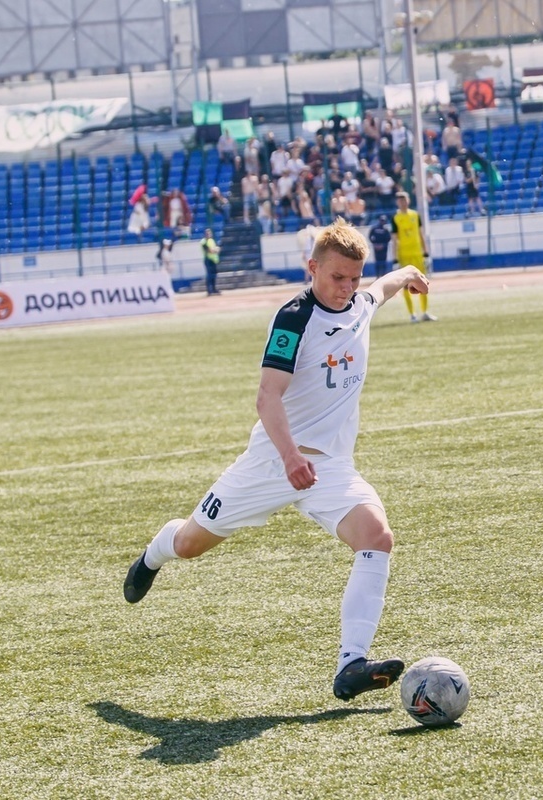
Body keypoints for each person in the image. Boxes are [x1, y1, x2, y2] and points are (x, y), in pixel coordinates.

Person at [122, 220, 431, 705]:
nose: (346, 288)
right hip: (271, 462)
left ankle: (351, 664)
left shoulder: (360, 303)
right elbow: (268, 397)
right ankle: (155, 550)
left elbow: (382, 288)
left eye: (353, 278)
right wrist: (288, 456)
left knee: (377, 538)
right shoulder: (293, 319)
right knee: (190, 545)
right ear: (313, 268)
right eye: (336, 278)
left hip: (328, 468)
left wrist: (409, 270)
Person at [392, 192, 435, 323]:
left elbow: (421, 234)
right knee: (406, 285)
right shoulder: (395, 218)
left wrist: (426, 252)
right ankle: (412, 314)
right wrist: (395, 258)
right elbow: (394, 239)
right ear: (397, 203)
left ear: (408, 200)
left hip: (417, 254)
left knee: (423, 282)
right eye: (400, 201)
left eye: (404, 200)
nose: (402, 202)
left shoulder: (415, 215)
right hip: (404, 255)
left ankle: (425, 311)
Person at [200, 228, 221, 295]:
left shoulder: (212, 240)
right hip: (208, 259)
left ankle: (214, 289)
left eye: (209, 233)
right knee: (209, 275)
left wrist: (215, 250)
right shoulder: (203, 242)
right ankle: (209, 290)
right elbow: (209, 250)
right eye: (207, 233)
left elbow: (216, 249)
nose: (208, 234)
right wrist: (215, 250)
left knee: (214, 275)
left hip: (213, 260)